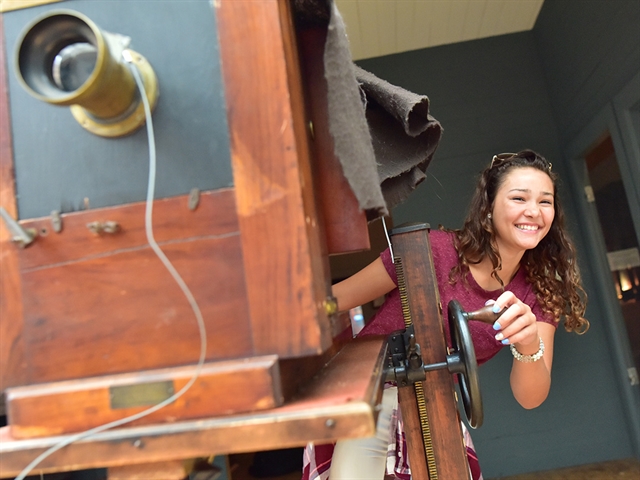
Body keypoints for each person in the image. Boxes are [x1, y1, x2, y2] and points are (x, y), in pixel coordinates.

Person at [302, 150, 589, 480]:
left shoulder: (538, 292)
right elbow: (331, 301)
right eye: (519, 198)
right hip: (367, 401)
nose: (533, 212)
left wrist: (527, 345)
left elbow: (530, 398)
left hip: (435, 409)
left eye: (545, 201)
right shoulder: (426, 251)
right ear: (489, 207)